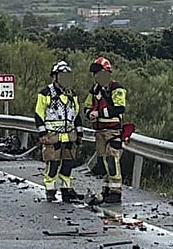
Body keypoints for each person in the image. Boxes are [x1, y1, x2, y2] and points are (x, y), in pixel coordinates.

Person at [34, 61, 82, 202]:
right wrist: (42, 134)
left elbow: (77, 115)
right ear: (55, 77)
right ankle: (50, 190)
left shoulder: (72, 94)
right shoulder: (45, 93)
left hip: (69, 135)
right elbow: (38, 114)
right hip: (52, 135)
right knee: (53, 164)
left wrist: (79, 134)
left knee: (68, 164)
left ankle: (66, 190)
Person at [84, 56, 128, 204]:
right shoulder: (95, 89)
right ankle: (107, 189)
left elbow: (119, 108)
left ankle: (116, 192)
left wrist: (100, 114)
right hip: (99, 131)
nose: (96, 76)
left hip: (113, 131)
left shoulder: (116, 88)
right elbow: (87, 105)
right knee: (103, 160)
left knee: (112, 160)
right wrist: (89, 113)